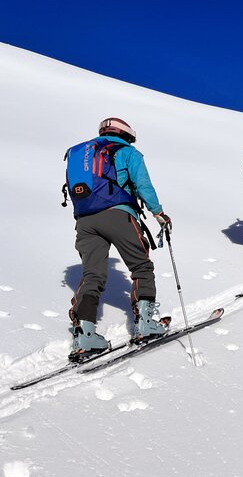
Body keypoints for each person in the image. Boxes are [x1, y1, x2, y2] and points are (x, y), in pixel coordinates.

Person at [63, 117, 172, 361]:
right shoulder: (127, 152)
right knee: (141, 266)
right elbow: (143, 185)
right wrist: (159, 214)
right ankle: (145, 324)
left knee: (92, 275)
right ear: (127, 135)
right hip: (118, 214)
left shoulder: (83, 154)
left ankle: (85, 335)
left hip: (85, 220)